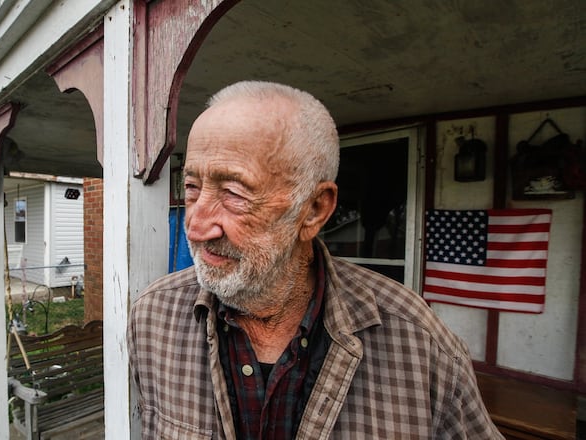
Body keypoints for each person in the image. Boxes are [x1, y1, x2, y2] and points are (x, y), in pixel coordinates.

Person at [127, 81, 502, 439]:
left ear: (314, 210)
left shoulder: (418, 344)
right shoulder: (153, 319)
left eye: (234, 193)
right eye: (192, 187)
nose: (196, 225)